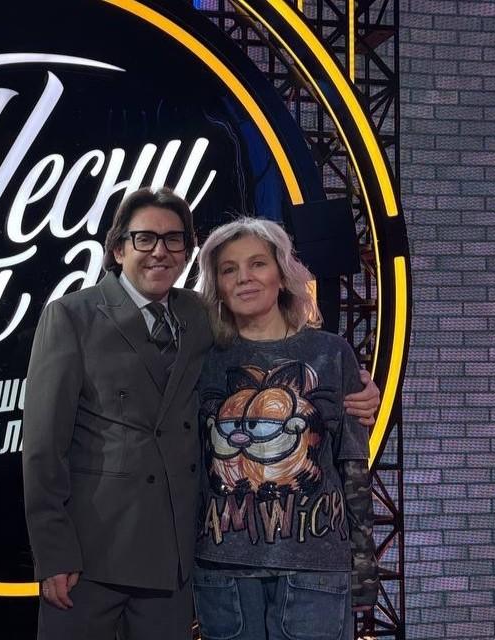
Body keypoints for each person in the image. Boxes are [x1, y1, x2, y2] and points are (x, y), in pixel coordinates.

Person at [22, 189, 380, 640]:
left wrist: (363, 390)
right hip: (123, 557)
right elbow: (43, 448)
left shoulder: (204, 321)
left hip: (211, 563)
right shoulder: (82, 317)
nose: (160, 251)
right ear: (118, 249)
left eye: (173, 240)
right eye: (145, 238)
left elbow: (349, 457)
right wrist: (53, 551)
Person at [192, 217, 378, 640]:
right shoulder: (201, 358)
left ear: (283, 273)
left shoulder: (331, 352)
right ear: (217, 284)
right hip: (222, 569)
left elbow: (353, 465)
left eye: (257, 263)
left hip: (315, 567)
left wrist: (364, 569)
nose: (244, 277)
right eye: (229, 269)